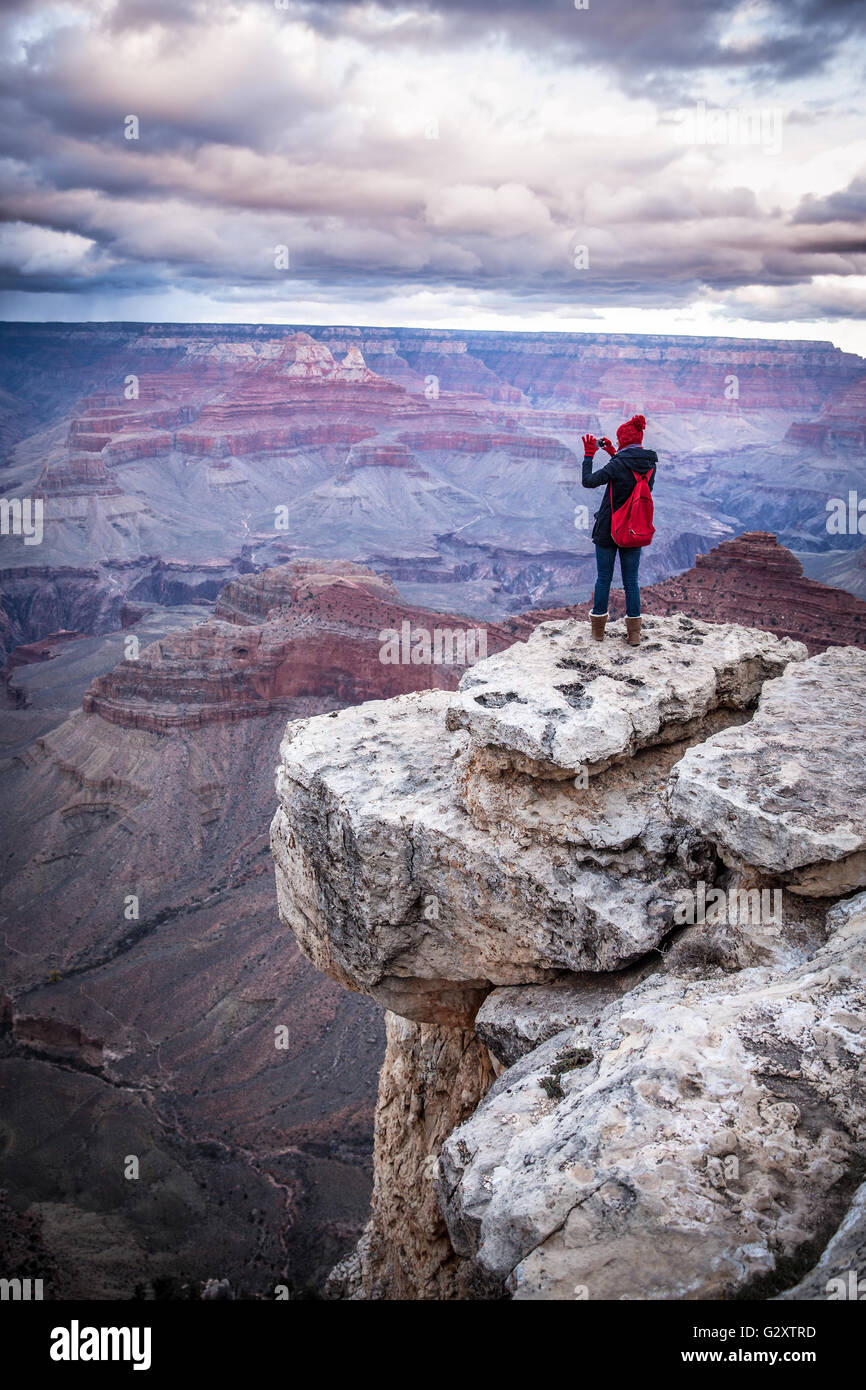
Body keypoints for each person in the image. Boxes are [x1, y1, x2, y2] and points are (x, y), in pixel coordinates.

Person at [581, 413, 657, 646]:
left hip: (608, 530)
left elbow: (589, 481)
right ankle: (634, 634)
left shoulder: (618, 464)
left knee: (604, 578)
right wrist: (613, 453)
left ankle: (598, 633)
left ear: (622, 440)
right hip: (634, 529)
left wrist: (589, 455)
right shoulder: (650, 465)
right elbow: (631, 477)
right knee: (631, 581)